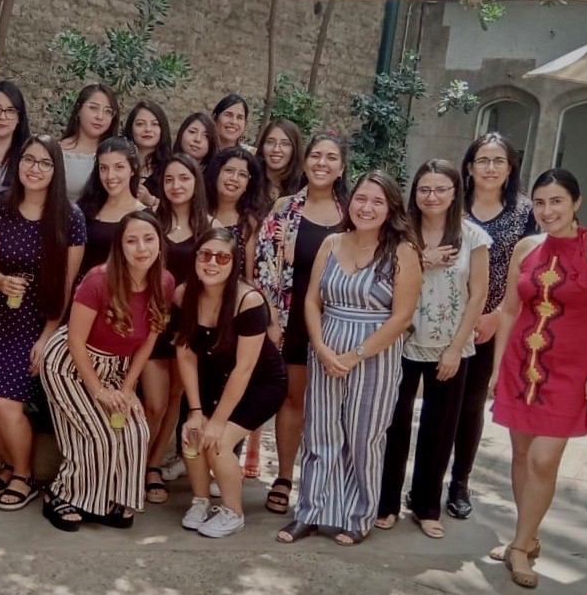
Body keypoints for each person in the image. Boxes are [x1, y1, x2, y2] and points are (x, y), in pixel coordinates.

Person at [489, 169, 587, 589]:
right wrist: (497, 367)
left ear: (576, 203)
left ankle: (518, 548)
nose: (547, 211)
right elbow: (510, 310)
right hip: (521, 365)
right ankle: (527, 536)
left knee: (543, 459)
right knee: (520, 454)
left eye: (556, 201)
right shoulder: (526, 247)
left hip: (572, 370)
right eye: (540, 202)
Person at [277, 170, 422, 546]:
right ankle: (309, 512)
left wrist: (356, 355)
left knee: (364, 437)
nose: (367, 207)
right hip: (325, 351)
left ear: (390, 208)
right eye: (361, 198)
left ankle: (359, 516)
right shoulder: (332, 243)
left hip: (374, 357)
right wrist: (321, 347)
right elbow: (312, 300)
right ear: (350, 201)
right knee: (320, 432)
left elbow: (402, 317)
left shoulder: (403, 251)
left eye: (377, 201)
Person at [375, 160, 490, 539]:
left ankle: (426, 506)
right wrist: (422, 260)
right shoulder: (400, 232)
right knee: (393, 424)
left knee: (439, 429)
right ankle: (386, 503)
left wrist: (456, 348)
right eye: (424, 189)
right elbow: (383, 275)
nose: (432, 196)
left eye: (441, 189)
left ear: (455, 192)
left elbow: (478, 295)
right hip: (400, 341)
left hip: (449, 345)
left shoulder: (473, 237)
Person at [40, 210, 175, 532]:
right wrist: (99, 391)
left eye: (149, 239)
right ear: (120, 246)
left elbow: (150, 339)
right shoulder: (98, 281)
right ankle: (59, 493)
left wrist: (127, 388)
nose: (141, 248)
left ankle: (107, 499)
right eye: (131, 241)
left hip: (116, 367)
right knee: (99, 435)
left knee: (136, 431)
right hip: (69, 364)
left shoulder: (165, 281)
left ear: (160, 243)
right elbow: (75, 340)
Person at [0, 135, 85, 511]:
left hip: (36, 322)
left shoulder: (70, 217)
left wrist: (46, 337)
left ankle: (23, 475)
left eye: (44, 163)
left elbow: (67, 286)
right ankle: (9, 464)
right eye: (28, 160)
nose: (35, 169)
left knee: (7, 405)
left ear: (56, 170)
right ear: (18, 164)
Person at [253, 132, 349, 515]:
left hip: (340, 323)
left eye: (331, 157)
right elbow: (264, 264)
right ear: (305, 161)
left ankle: (326, 482)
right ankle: (284, 477)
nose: (322, 163)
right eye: (316, 155)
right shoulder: (285, 208)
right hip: (291, 320)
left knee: (332, 406)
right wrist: (272, 317)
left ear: (342, 168)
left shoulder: (353, 213)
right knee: (293, 399)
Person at [446, 132, 537, 520]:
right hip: (444, 320)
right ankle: (427, 480)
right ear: (469, 166)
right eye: (482, 160)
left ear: (510, 168)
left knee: (470, 405)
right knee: (439, 403)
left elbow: (531, 271)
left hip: (491, 325)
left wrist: (497, 315)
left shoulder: (524, 212)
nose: (490, 168)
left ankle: (459, 483)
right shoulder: (451, 203)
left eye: (499, 160)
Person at [174, 228, 287, 537]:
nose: (212, 263)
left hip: (258, 383)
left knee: (219, 443)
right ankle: (200, 500)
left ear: (234, 262)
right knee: (192, 435)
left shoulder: (248, 300)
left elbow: (245, 368)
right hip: (210, 376)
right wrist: (196, 411)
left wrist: (218, 421)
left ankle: (232, 511)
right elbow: (186, 354)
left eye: (222, 257)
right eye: (205, 255)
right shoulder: (183, 295)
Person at [140, 154, 216, 503]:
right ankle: (135, 462)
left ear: (196, 182)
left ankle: (153, 466)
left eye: (184, 178)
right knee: (154, 402)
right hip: (152, 322)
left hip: (190, 326)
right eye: (169, 179)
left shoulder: (210, 227)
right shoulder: (151, 222)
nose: (176, 186)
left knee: (175, 397)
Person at [76, 137, 149, 284]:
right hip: (82, 291)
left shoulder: (145, 216)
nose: (110, 176)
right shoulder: (84, 209)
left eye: (119, 167)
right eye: (104, 168)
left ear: (133, 169)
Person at [205, 146, 264, 279]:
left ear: (249, 184)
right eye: (229, 170)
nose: (234, 178)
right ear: (216, 173)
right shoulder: (197, 212)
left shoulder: (250, 223)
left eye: (242, 175)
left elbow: (249, 278)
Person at [60, 84, 119, 203]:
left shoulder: (118, 154)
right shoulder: (58, 151)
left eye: (108, 111)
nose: (100, 117)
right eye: (93, 108)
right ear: (78, 109)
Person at [122, 100, 171, 206]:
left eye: (155, 124)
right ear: (131, 128)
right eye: (140, 124)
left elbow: (181, 209)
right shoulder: (118, 161)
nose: (148, 129)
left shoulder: (171, 167)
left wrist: (151, 200)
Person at [255, 118, 303, 201]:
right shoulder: (248, 180)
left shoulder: (303, 189)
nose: (276, 149)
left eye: (285, 144)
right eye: (270, 142)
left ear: (295, 149)